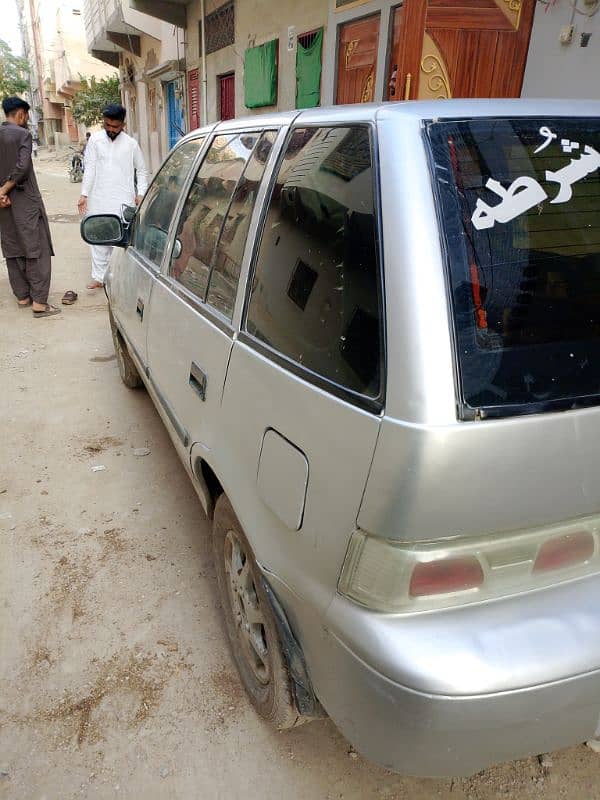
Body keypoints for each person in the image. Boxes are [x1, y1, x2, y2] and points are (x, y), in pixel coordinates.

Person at [0, 96, 60, 317]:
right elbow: (22, 166)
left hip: (3, 205)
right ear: (21, 114)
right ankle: (39, 304)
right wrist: (5, 189)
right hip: (24, 201)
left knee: (12, 247)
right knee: (36, 248)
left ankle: (23, 297)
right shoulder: (23, 134)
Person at [78, 104, 148, 289]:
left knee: (121, 238)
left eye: (115, 126)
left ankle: (118, 277)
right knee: (98, 235)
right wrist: (84, 194)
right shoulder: (95, 140)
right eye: (107, 125)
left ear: (123, 125)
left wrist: (141, 193)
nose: (110, 129)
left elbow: (141, 171)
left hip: (122, 199)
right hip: (99, 197)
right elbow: (90, 167)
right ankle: (99, 278)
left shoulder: (131, 144)